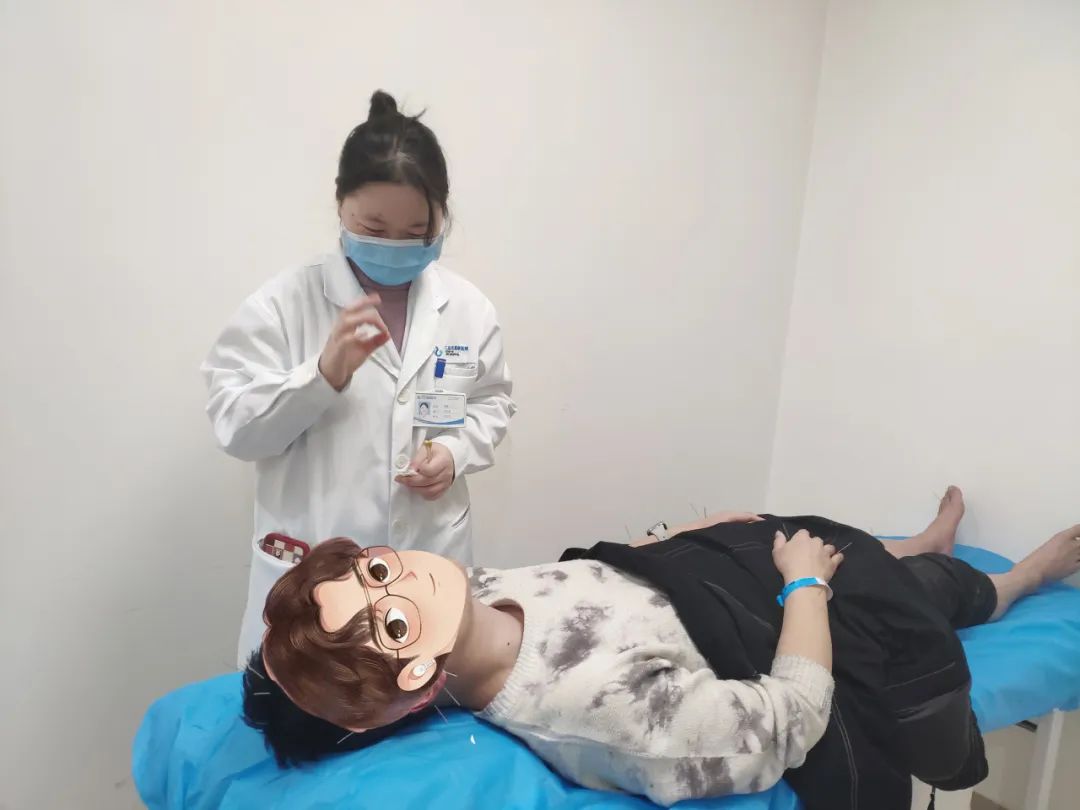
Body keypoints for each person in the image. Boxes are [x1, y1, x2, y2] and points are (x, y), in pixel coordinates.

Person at [245, 489, 1080, 809]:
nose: (402, 581)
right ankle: (1015, 580)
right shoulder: (599, 714)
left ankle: (911, 547)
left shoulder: (472, 592)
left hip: (713, 578)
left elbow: (589, 577)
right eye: (390, 623)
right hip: (769, 615)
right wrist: (804, 587)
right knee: (916, 596)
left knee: (834, 540)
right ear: (412, 675)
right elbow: (789, 718)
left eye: (375, 569)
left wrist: (684, 532)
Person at [202, 90, 516, 666]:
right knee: (308, 706)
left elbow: (492, 403)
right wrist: (323, 375)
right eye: (374, 226)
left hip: (427, 570)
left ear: (441, 218)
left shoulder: (468, 310)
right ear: (340, 204)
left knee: (424, 701)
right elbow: (236, 428)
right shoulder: (283, 304)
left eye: (416, 230)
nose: (395, 245)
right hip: (316, 576)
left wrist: (455, 452)